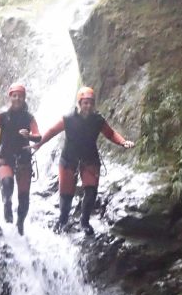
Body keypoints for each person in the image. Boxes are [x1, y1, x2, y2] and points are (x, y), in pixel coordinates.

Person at [35, 86, 135, 235]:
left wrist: (123, 142)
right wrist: (38, 144)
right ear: (79, 103)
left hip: (90, 159)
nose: (88, 106)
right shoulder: (68, 119)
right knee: (66, 194)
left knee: (91, 191)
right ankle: (62, 220)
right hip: (68, 159)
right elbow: (51, 131)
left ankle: (85, 221)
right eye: (85, 102)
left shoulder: (97, 120)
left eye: (90, 103)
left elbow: (111, 133)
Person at [0, 83, 41, 235]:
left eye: (20, 96)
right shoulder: (3, 115)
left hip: (23, 160)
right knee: (7, 183)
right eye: (15, 95)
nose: (17, 98)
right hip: (5, 157)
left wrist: (29, 136)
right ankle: (7, 207)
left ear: (24, 98)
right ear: (10, 97)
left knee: (24, 199)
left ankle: (20, 223)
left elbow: (38, 136)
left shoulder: (29, 118)